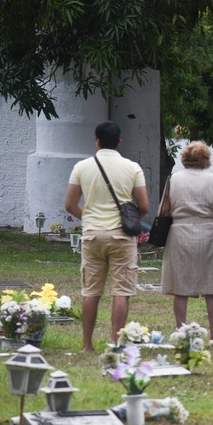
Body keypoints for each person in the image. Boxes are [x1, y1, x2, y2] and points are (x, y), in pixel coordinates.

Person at [64, 121, 149, 353]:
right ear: (119, 142)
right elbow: (144, 206)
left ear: (97, 141)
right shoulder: (132, 168)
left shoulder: (81, 167)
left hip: (92, 234)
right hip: (121, 235)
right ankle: (115, 343)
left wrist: (89, 218)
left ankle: (87, 345)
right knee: (121, 290)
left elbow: (70, 204)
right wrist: (129, 218)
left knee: (91, 291)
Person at [160, 142, 213, 344]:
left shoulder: (174, 179)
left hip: (180, 232)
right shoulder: (212, 180)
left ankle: (181, 333)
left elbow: (164, 210)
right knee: (211, 287)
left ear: (184, 159)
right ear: (205, 159)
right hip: (207, 232)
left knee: (180, 287)